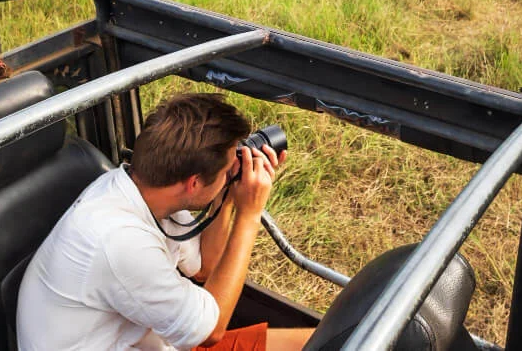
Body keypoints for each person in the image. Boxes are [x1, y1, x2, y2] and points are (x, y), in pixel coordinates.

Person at [16, 93, 315, 350]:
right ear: (193, 183)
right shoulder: (119, 241)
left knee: (320, 342)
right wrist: (249, 215)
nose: (233, 169)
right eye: (227, 168)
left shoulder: (145, 189)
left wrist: (225, 194)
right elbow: (212, 332)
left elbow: (204, 267)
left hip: (148, 340)